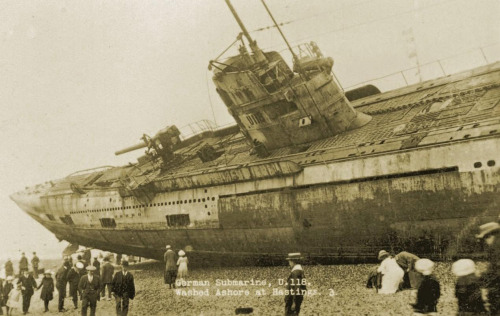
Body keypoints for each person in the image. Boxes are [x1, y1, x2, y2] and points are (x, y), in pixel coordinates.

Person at [476, 221, 500, 315]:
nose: (485, 242)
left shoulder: (496, 249)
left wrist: (481, 277)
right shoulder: (495, 247)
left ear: (490, 236)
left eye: (484, 239)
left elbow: (496, 271)